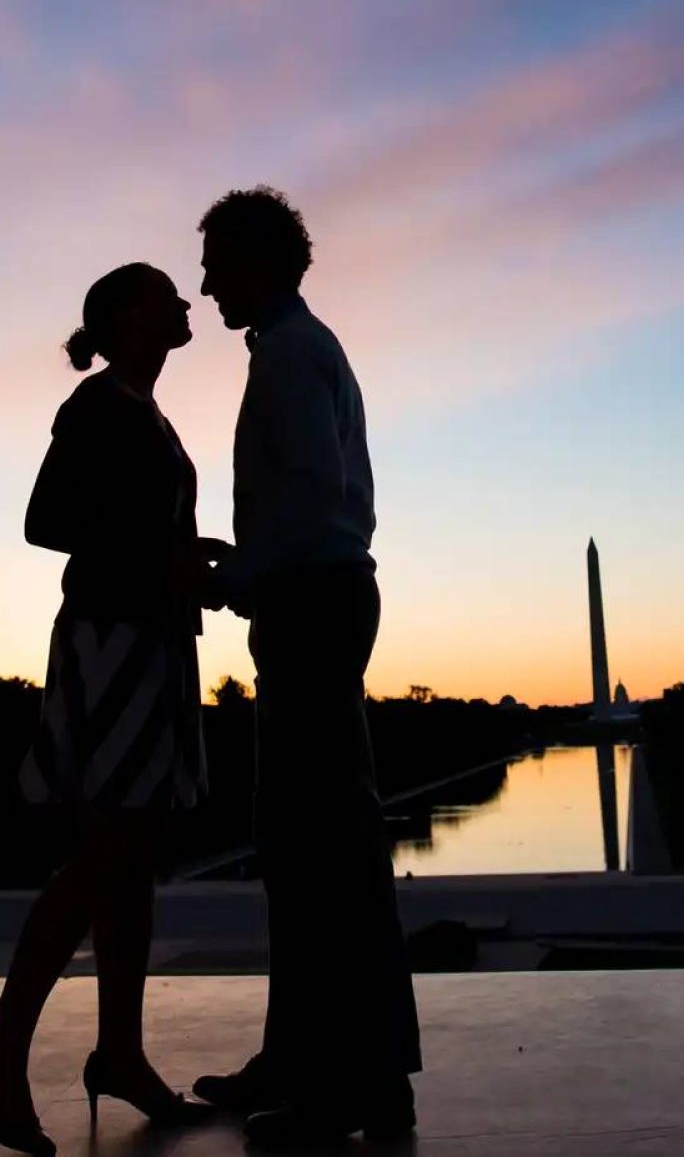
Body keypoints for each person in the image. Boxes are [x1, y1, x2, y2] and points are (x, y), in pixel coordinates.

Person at [191, 185, 421, 1147]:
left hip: (312, 604)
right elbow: (319, 502)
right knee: (307, 841)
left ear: (254, 263)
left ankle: (351, 1087)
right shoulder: (297, 349)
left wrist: (241, 571)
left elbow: (314, 499)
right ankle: (311, 1063)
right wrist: (244, 568)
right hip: (318, 598)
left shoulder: (290, 356)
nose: (204, 286)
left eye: (215, 266)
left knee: (322, 845)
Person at [0, 264, 214, 1157]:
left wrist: (186, 557)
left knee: (127, 865)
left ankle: (120, 1053)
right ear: (127, 317)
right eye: (167, 294)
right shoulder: (97, 408)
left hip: (147, 646)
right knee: (104, 857)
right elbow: (45, 519)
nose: (185, 303)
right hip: (111, 647)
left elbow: (130, 527)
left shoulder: (142, 412)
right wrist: (159, 555)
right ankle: (1, 1057)